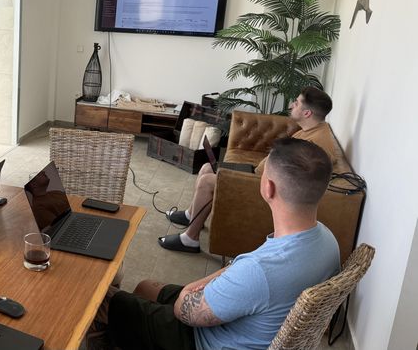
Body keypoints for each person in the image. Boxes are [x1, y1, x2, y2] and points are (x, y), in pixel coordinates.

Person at [106, 138, 340, 350]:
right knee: (145, 287)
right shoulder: (328, 240)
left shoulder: (257, 271)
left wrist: (191, 290)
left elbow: (185, 311)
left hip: (203, 340)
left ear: (268, 188)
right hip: (248, 324)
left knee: (111, 302)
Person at [161, 86, 338, 253]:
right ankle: (191, 215)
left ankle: (190, 239)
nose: (292, 105)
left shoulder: (316, 143)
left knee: (207, 181)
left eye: (297, 103)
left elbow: (291, 183)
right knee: (207, 167)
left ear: (307, 113)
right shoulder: (310, 129)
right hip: (256, 174)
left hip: (260, 186)